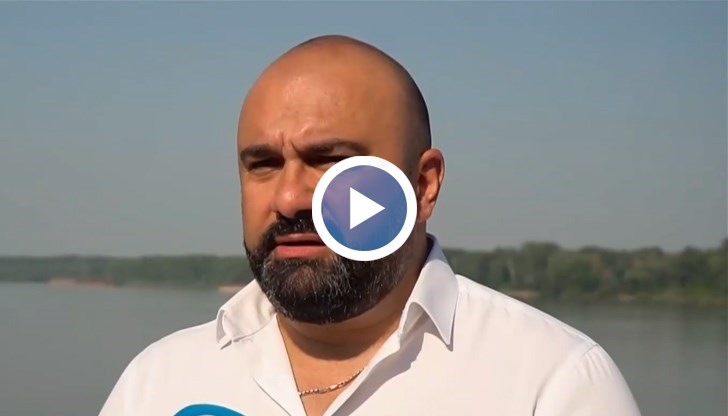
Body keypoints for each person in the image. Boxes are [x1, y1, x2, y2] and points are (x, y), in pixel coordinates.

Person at [99, 35, 641, 416]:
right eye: (263, 164)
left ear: (423, 185)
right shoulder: (157, 384)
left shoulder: (554, 385)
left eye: (331, 161)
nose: (289, 199)